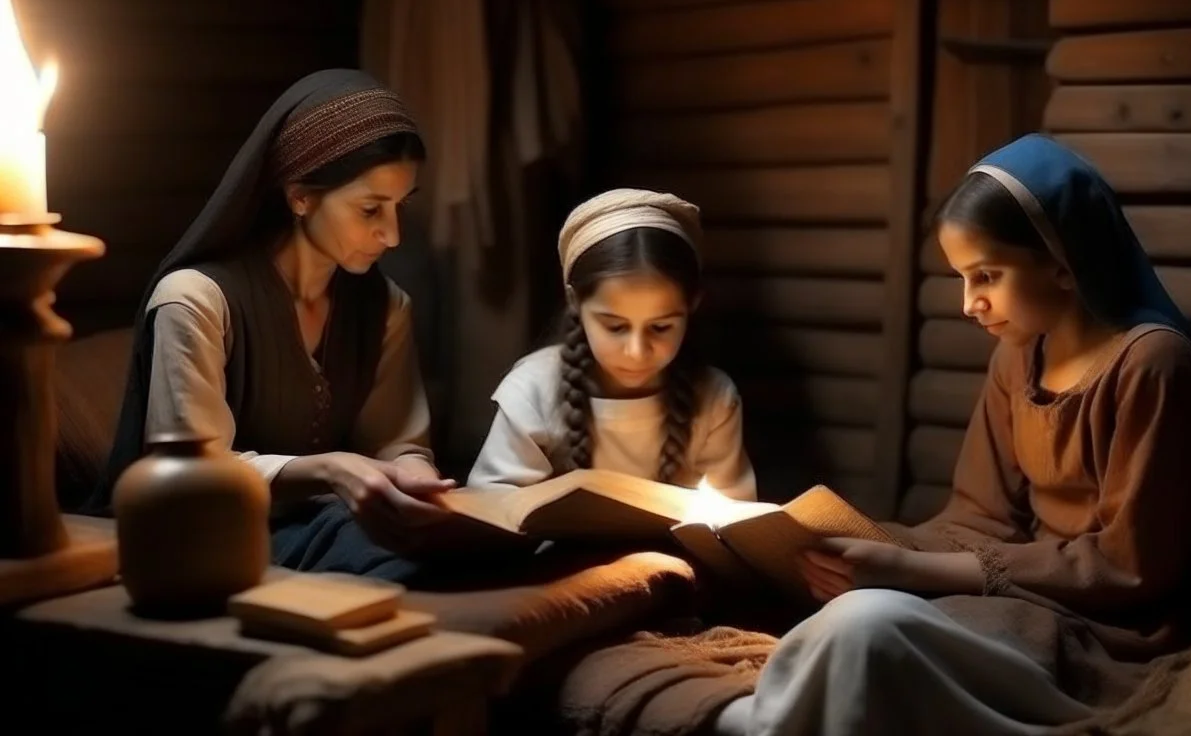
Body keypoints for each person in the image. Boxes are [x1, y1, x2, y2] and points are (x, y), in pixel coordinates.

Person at [715, 133, 1191, 735]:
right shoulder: (1019, 355)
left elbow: (1130, 568)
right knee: (846, 618)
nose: (971, 303)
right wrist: (865, 546)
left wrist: (909, 571)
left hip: (1117, 628)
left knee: (867, 629)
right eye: (962, 278)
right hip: (1028, 596)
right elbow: (980, 518)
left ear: (1062, 263)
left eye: (986, 275)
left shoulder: (1152, 365)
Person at [88, 69, 456, 586]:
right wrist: (331, 469)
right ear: (300, 195)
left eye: (402, 206)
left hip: (326, 522)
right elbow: (192, 473)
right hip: (208, 531)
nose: (392, 235)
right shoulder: (196, 300)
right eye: (371, 208)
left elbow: (396, 440)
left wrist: (417, 482)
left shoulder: (385, 307)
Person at [466, 188, 757, 500]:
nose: (636, 351)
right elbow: (491, 503)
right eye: (615, 326)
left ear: (692, 305)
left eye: (660, 327)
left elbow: (733, 512)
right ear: (574, 301)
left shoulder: (713, 400)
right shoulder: (533, 390)